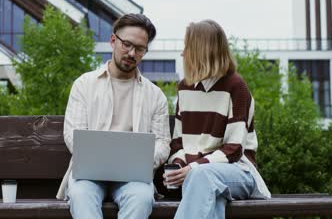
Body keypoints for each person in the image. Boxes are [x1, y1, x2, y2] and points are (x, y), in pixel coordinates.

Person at [56, 13, 171, 219]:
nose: (132, 53)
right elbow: (72, 134)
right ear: (113, 40)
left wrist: (142, 160)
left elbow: (163, 143)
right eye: (126, 44)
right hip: (89, 175)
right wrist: (101, 159)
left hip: (133, 177)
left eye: (140, 49)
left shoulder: (155, 96)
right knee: (81, 195)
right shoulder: (84, 85)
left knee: (142, 198)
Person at [163, 20, 271, 219]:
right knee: (210, 195)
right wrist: (177, 166)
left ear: (201, 51)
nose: (182, 53)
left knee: (203, 177)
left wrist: (193, 168)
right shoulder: (185, 88)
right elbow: (178, 142)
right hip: (199, 178)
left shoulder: (236, 87)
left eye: (187, 47)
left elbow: (234, 149)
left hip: (238, 172)